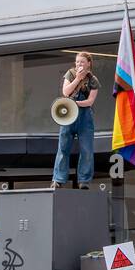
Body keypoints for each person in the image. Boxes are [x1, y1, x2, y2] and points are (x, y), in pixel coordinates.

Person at [52, 51, 99, 189]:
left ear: (88, 64)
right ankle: (58, 179)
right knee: (63, 148)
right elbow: (66, 92)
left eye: (82, 62)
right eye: (77, 62)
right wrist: (77, 79)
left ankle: (84, 180)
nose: (79, 64)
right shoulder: (70, 74)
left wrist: (75, 104)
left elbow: (90, 101)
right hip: (68, 116)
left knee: (87, 150)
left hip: (85, 117)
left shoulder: (93, 80)